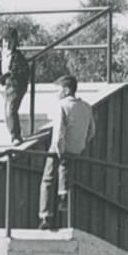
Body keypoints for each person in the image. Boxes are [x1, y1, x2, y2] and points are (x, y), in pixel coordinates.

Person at [38, 75, 94, 232]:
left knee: (47, 179)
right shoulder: (86, 107)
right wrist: (81, 143)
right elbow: (92, 131)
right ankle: (63, 195)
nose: (56, 93)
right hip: (76, 148)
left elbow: (58, 133)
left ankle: (45, 216)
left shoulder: (61, 105)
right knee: (66, 168)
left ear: (67, 90)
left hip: (62, 147)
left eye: (58, 90)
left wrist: (58, 149)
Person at [0, 28, 32, 145]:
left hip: (16, 86)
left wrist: (11, 77)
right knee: (7, 111)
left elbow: (22, 72)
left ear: (15, 42)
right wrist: (0, 80)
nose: (7, 44)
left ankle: (16, 136)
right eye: (5, 41)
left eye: (10, 41)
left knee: (11, 109)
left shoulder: (17, 57)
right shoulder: (2, 56)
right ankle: (14, 134)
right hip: (7, 86)